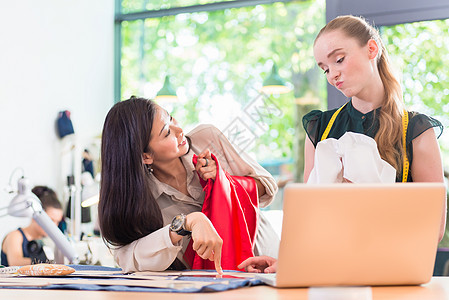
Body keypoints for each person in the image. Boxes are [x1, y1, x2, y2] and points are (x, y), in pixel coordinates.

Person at [239, 15, 446, 273]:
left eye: (339, 60)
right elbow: (309, 219)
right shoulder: (319, 128)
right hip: (330, 273)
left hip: (392, 272)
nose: (332, 74)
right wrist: (289, 262)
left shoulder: (415, 130)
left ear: (372, 49)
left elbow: (433, 228)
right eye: (324, 68)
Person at [98, 97, 279, 274]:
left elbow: (267, 187)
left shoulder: (207, 139)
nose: (179, 130)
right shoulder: (142, 202)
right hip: (218, 285)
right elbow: (126, 258)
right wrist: (185, 223)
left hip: (274, 265)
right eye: (167, 132)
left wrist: (223, 180)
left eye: (170, 117)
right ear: (146, 156)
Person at [1, 186, 64, 267]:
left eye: (57, 221)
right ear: (36, 216)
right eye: (51, 220)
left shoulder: (43, 241)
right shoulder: (15, 236)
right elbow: (15, 262)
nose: (54, 226)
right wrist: (44, 261)